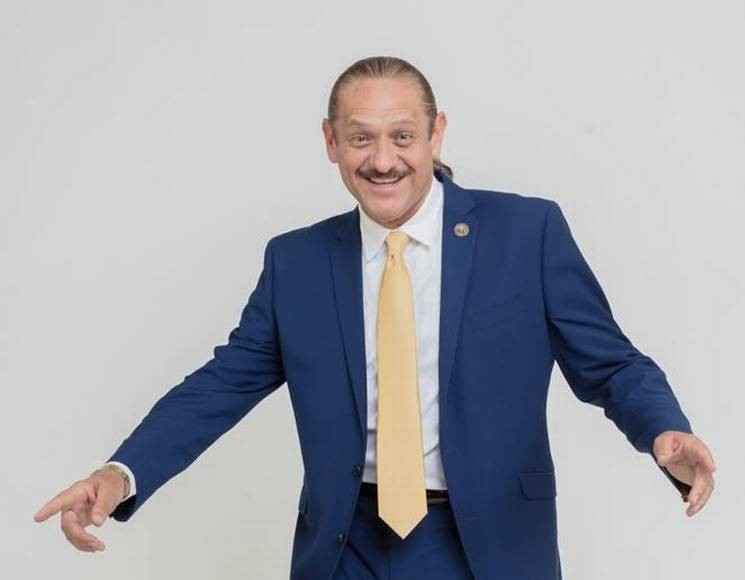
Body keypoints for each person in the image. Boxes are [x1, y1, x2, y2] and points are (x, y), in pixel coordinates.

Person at [34, 56, 716, 579]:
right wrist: (120, 475)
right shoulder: (297, 261)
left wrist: (664, 430)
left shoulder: (526, 233)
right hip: (345, 544)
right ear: (331, 142)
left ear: (436, 133)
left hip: (487, 544)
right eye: (360, 138)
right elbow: (220, 386)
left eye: (402, 136)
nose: (382, 160)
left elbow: (610, 364)